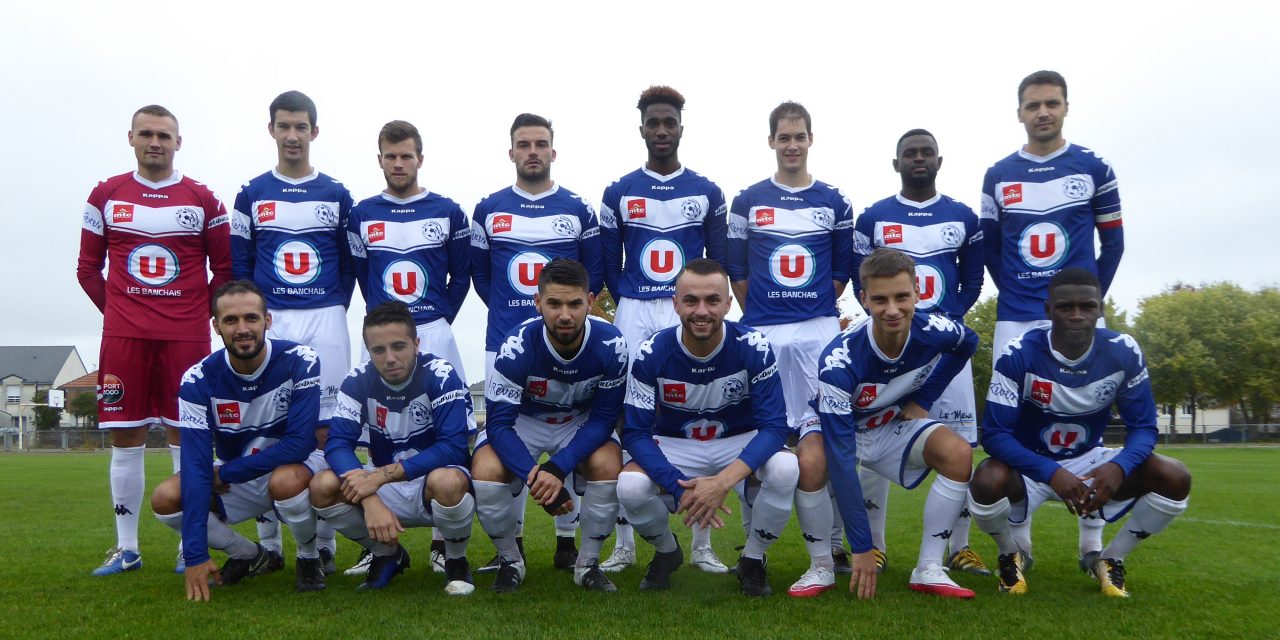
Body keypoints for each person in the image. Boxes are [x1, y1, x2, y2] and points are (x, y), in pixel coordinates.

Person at [77, 104, 233, 576]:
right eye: (146, 134)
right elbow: (87, 270)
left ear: (178, 142)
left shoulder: (204, 199)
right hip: (125, 339)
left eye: (164, 135)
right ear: (130, 138)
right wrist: (123, 315)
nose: (155, 143)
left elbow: (224, 271)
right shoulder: (105, 194)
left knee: (188, 440)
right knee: (126, 440)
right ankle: (127, 549)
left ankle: (190, 545)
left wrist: (191, 316)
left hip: (186, 339)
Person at [969, 268, 1191, 597]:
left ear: (1100, 308)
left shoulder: (1123, 351)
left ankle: (1110, 559)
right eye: (1065, 307)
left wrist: (1120, 466)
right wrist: (1050, 472)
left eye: (1087, 306)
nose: (1077, 315)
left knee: (1174, 475)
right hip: (1030, 464)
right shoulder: (1019, 353)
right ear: (1048, 310)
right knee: (986, 480)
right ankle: (1009, 553)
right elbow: (995, 434)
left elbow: (1143, 427)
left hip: (1089, 458)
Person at [980, 69, 1125, 566]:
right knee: (1014, 428)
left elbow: (1115, 241)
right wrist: (1020, 293)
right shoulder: (998, 174)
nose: (1042, 112)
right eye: (1033, 105)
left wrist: (1087, 302)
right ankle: (1021, 542)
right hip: (1017, 317)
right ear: (1019, 112)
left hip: (1080, 319)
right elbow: (992, 250)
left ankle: (1091, 540)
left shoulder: (1094, 167)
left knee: (1089, 419)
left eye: (1052, 103)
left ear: (1065, 108)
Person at [597, 85, 729, 574]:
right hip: (635, 307)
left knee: (697, 409)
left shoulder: (707, 191)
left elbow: (716, 259)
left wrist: (694, 303)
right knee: (628, 420)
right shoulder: (619, 191)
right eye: (652, 123)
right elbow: (611, 263)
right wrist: (631, 298)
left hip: (688, 310)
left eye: (668, 122)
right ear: (642, 129)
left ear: (680, 127)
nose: (660, 131)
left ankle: (702, 545)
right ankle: (626, 542)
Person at [726, 101, 853, 595]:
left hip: (819, 329)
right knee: (761, 438)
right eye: (784, 137)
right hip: (764, 330)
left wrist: (811, 314)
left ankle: (834, 545)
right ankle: (751, 550)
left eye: (800, 136)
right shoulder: (748, 201)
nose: (792, 144)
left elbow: (841, 273)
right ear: (772, 141)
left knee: (828, 436)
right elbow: (738, 272)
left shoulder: (834, 201)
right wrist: (764, 313)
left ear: (810, 139)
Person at [850, 129, 988, 577]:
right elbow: (861, 282)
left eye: (927, 152)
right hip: (892, 352)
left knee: (961, 443)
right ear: (896, 164)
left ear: (940, 161)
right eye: (910, 153)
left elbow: (973, 281)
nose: (919, 159)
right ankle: (875, 546)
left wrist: (940, 325)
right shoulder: (873, 218)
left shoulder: (963, 218)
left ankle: (959, 549)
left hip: (945, 351)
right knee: (872, 440)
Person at [617, 258, 799, 597]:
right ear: (675, 303)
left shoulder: (754, 346)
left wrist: (724, 482)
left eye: (713, 300)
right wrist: (677, 486)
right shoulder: (651, 352)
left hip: (737, 440)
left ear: (728, 304)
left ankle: (752, 560)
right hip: (677, 443)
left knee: (786, 467)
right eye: (691, 300)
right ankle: (667, 552)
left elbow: (774, 426)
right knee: (629, 487)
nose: (702, 311)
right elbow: (636, 433)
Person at [470, 114, 602, 571]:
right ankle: (517, 543)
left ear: (552, 151)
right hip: (505, 341)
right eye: (523, 144)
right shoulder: (488, 209)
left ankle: (568, 542)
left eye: (540, 143)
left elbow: (594, 273)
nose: (532, 151)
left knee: (573, 424)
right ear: (511, 153)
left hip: (566, 342)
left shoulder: (578, 209)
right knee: (509, 436)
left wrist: (560, 317)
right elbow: (481, 278)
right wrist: (519, 319)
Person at [230, 90, 351, 575]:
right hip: (272, 317)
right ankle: (271, 545)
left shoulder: (337, 194)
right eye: (285, 126)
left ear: (314, 132)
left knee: (323, 427)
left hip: (325, 316)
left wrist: (333, 305)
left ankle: (323, 543)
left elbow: (348, 265)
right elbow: (240, 265)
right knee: (265, 423)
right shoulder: (252, 192)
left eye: (302, 126)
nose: (293, 135)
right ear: (272, 130)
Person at [348, 120, 475, 574]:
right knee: (373, 427)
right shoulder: (362, 213)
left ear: (420, 158)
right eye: (390, 156)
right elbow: (363, 277)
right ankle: (377, 541)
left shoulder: (447, 211)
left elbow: (461, 277)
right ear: (379, 159)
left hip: (432, 328)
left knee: (442, 427)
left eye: (406, 156)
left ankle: (443, 541)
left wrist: (438, 318)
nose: (398, 164)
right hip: (383, 337)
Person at [816, 248, 979, 599]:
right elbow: (843, 460)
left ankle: (929, 567)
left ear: (917, 293)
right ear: (864, 299)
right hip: (847, 431)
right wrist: (861, 546)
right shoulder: (838, 359)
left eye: (902, 297)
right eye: (880, 299)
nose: (892, 310)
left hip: (891, 426)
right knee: (811, 461)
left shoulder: (935, 329)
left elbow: (969, 343)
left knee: (957, 453)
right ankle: (821, 565)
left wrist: (925, 398)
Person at [149, 280, 326, 599]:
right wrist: (195, 556)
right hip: (236, 476)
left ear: (267, 321)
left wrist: (226, 473)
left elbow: (300, 444)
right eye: (231, 320)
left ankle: (308, 556)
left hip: (290, 468)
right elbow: (195, 464)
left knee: (286, 481)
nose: (242, 328)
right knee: (165, 497)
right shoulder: (197, 379)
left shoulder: (300, 359)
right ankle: (250, 554)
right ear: (216, 326)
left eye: (251, 318)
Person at [472, 259, 626, 593]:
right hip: (524, 422)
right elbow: (498, 425)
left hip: (580, 421)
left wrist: (557, 469)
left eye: (575, 303)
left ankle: (587, 564)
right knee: (485, 468)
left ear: (590, 301)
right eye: (554, 304)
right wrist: (536, 475)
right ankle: (510, 560)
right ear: (538, 302)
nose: (565, 315)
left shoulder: (612, 344)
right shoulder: (515, 347)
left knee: (608, 462)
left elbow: (603, 419)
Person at [310, 302, 476, 594]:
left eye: (399, 346)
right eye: (378, 350)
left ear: (416, 343)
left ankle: (456, 559)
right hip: (384, 486)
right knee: (322, 485)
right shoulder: (357, 380)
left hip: (429, 481)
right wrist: (369, 497)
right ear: (369, 351)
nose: (389, 358)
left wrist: (381, 476)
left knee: (448, 480)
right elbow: (337, 443)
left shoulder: (439, 372)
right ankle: (388, 555)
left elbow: (453, 447)